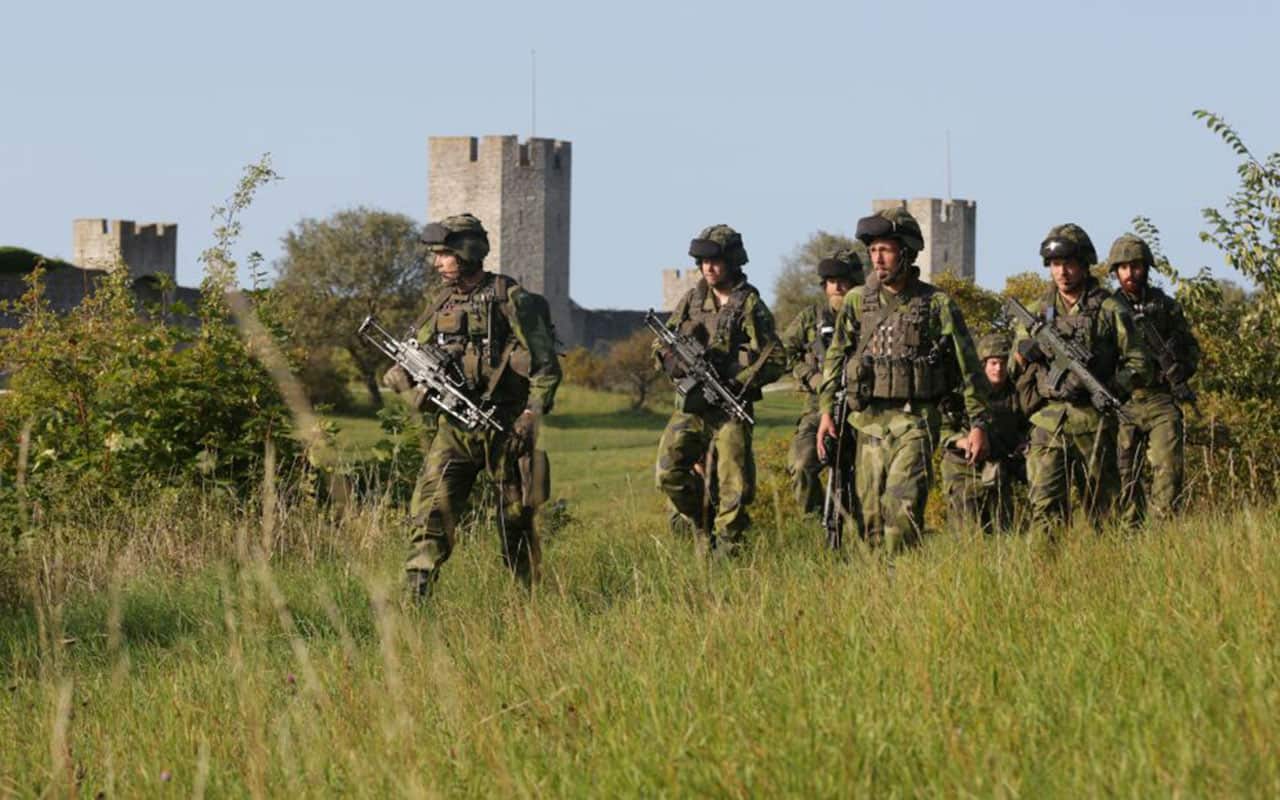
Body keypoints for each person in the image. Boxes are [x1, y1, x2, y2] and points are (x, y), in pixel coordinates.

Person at [383, 213, 562, 600]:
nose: (437, 263)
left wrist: (531, 415)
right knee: (430, 514)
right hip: (455, 431)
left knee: (516, 521)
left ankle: (528, 604)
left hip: (507, 430)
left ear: (466, 253)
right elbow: (411, 352)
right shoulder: (443, 302)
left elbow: (547, 366)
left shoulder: (511, 299)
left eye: (444, 254)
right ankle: (416, 601)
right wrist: (402, 378)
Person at [815, 207, 989, 553]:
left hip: (916, 421)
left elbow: (968, 366)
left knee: (902, 510)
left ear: (906, 251)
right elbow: (835, 357)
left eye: (886, 250)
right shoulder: (855, 301)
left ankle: (902, 584)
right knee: (870, 520)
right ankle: (881, 595)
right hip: (868, 423)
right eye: (873, 250)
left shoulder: (936, 303)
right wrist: (824, 413)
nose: (877, 259)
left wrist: (977, 424)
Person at [1009, 223, 1149, 535]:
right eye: (1056, 265)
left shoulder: (1110, 309)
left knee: (1106, 512)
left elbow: (1139, 362)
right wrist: (1023, 353)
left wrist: (1113, 387)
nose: (1062, 272)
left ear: (1084, 264)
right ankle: (1044, 579)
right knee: (1044, 509)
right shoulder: (1036, 312)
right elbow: (1010, 369)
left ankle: (1106, 575)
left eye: (1068, 264)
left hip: (1094, 421)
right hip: (1048, 422)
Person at [654, 224, 785, 554]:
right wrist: (670, 361)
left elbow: (776, 357)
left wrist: (737, 380)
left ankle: (730, 556)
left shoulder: (749, 304)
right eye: (702, 261)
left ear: (732, 260)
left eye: (715, 261)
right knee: (668, 472)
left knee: (734, 489)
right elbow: (662, 341)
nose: (708, 268)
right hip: (691, 406)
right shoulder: (693, 299)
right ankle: (701, 519)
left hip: (729, 408)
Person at [1107, 233, 1200, 526]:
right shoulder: (1107, 309)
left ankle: (1163, 533)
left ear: (1146, 268)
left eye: (1136, 266)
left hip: (1161, 399)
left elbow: (1191, 348)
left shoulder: (1166, 306)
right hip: (1123, 401)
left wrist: (1179, 368)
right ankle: (1128, 538)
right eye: (1123, 268)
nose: (1130, 273)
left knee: (1169, 471)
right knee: (1124, 476)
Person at [781, 245, 866, 514]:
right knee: (800, 464)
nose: (838, 288)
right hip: (818, 409)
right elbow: (782, 351)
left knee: (869, 477)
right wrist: (812, 377)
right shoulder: (811, 319)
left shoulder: (872, 317)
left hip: (863, 408)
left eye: (844, 282)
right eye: (832, 282)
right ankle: (815, 522)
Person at [939, 332, 1029, 533]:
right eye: (994, 363)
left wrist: (1023, 442)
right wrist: (963, 442)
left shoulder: (1016, 392)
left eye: (1004, 363)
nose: (999, 369)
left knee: (1003, 532)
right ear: (983, 364)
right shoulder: (963, 393)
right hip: (963, 469)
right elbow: (941, 429)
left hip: (999, 470)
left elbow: (1024, 424)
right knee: (967, 533)